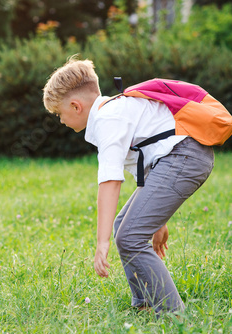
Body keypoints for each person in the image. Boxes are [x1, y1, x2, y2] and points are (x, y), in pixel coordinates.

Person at [42, 56, 214, 313]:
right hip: (179, 156)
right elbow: (145, 164)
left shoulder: (108, 119)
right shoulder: (115, 110)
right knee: (126, 226)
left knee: (129, 236)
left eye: (59, 113)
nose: (60, 120)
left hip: (185, 156)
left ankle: (172, 315)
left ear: (76, 106)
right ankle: (144, 304)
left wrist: (102, 243)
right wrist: (157, 220)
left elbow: (110, 181)